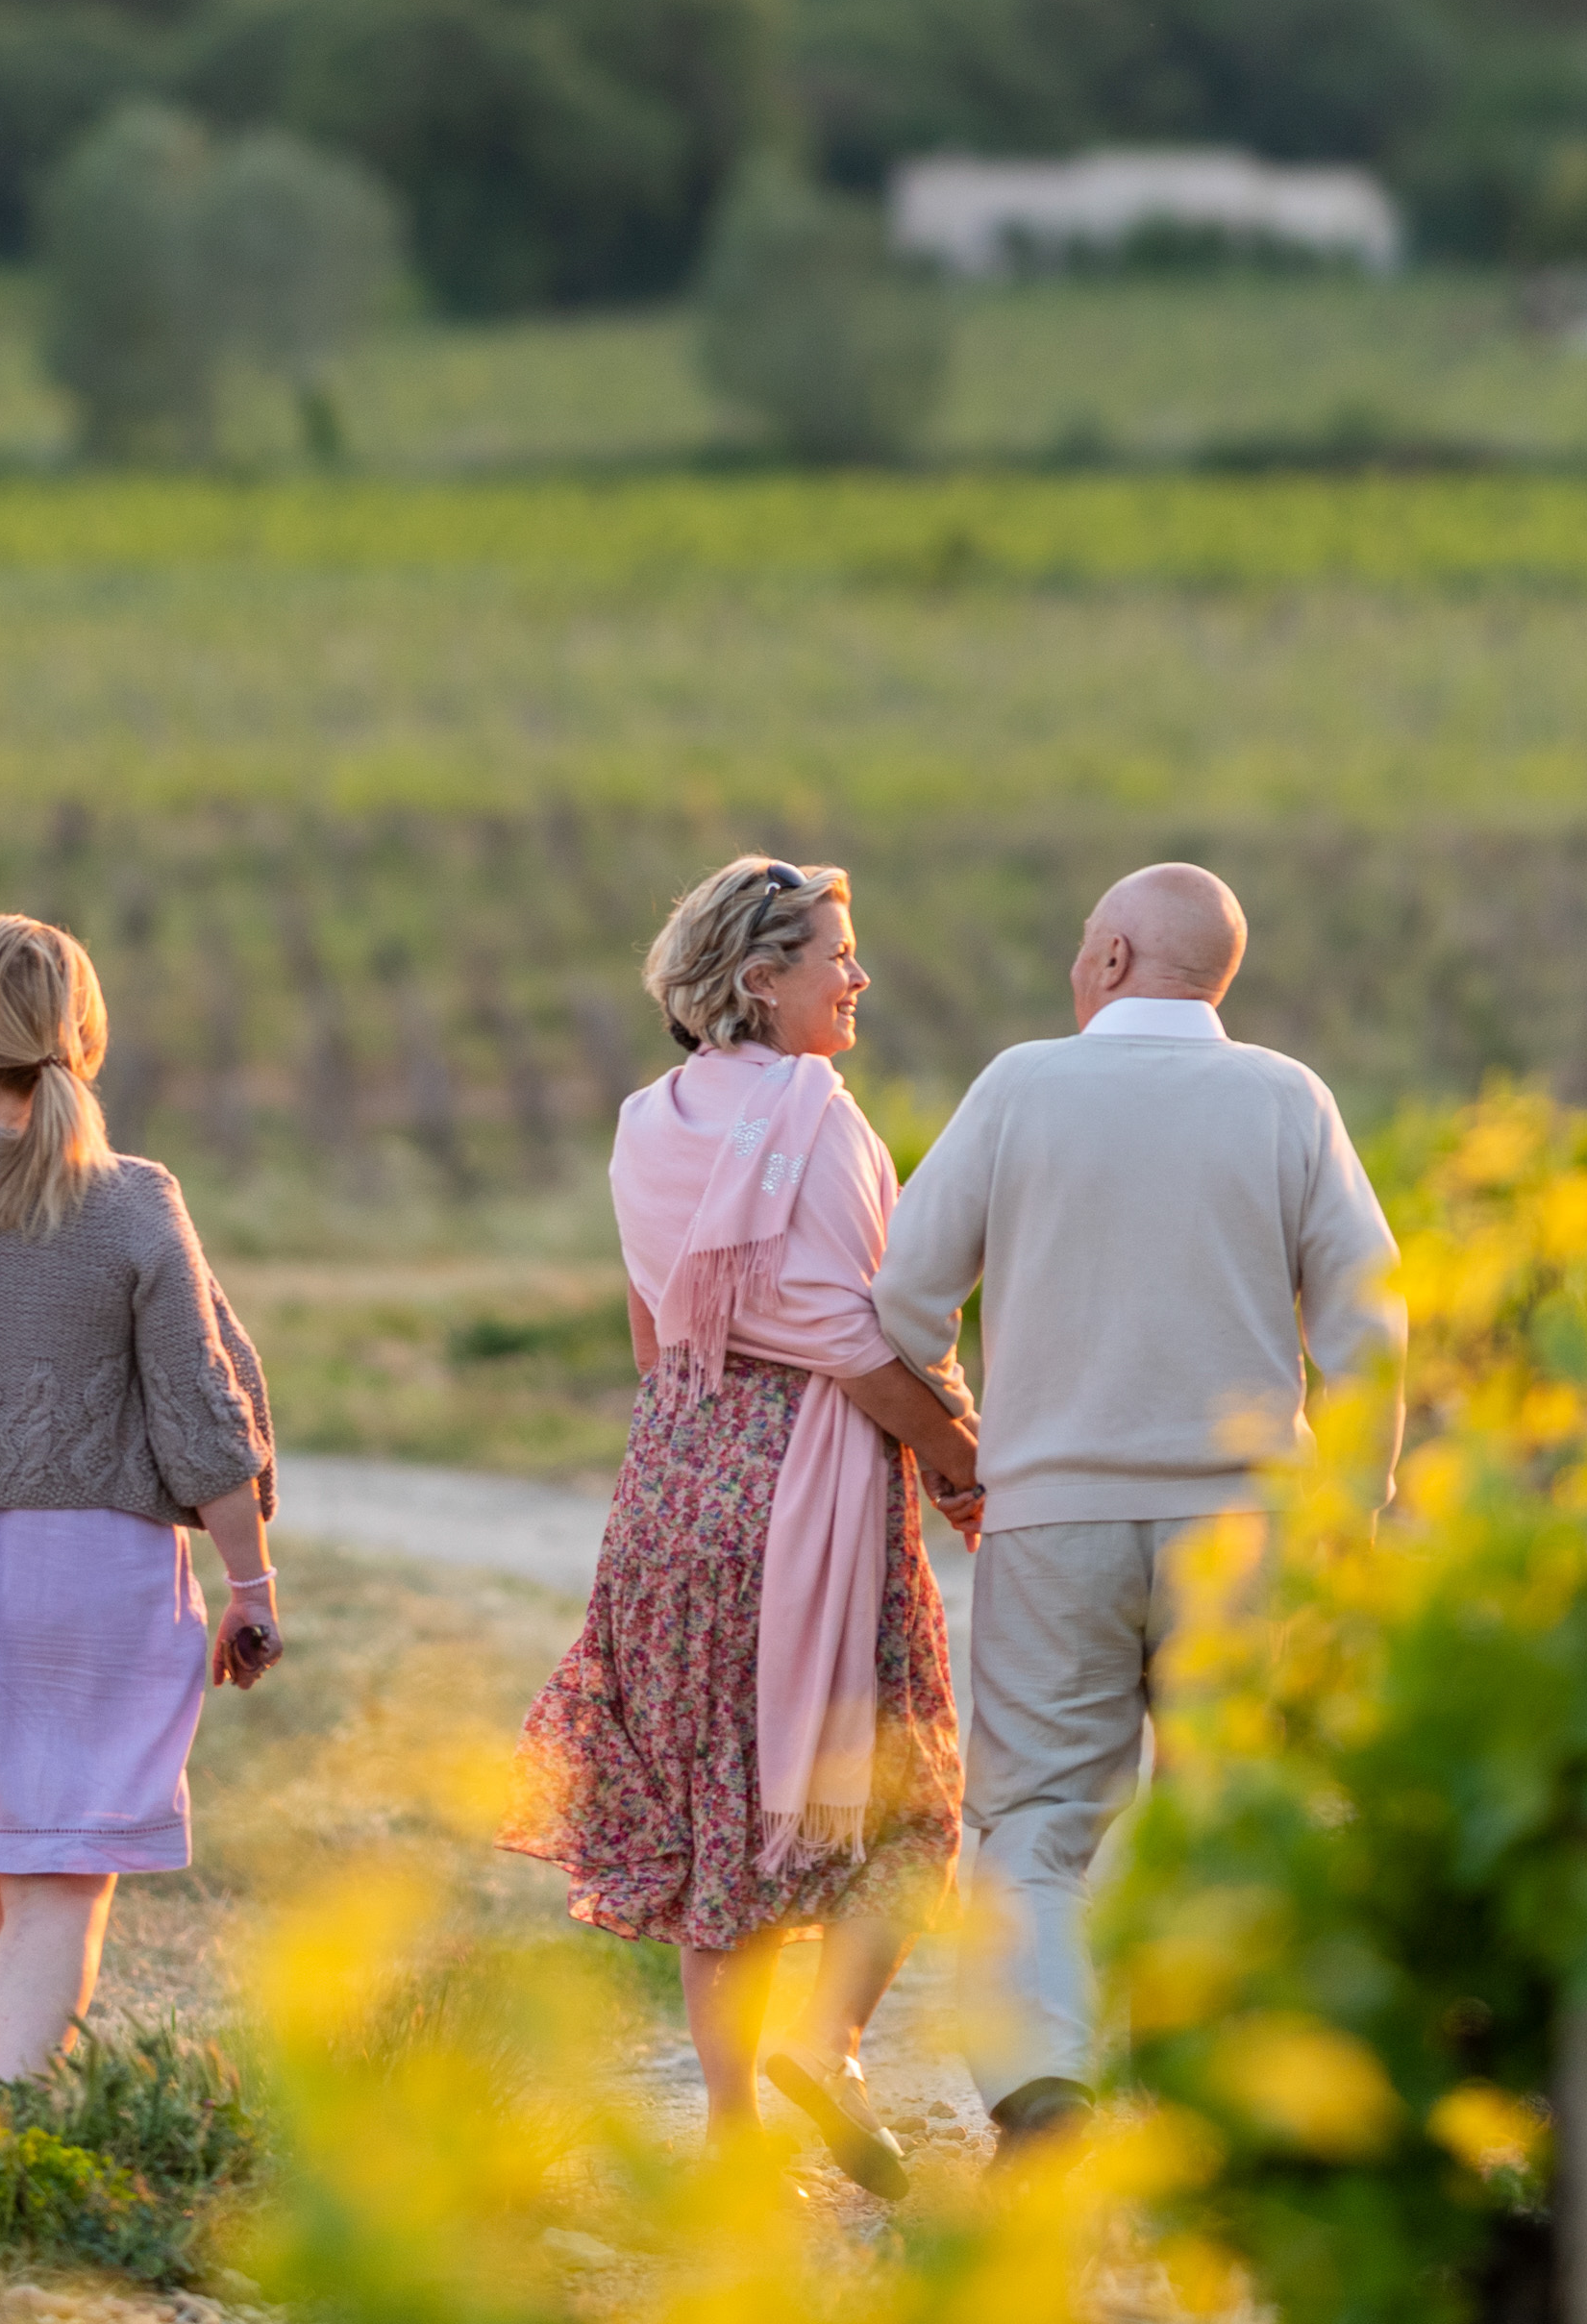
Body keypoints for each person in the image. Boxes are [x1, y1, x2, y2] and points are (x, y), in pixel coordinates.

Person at [870, 859, 1398, 2145]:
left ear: (1109, 957)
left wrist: (968, 1443)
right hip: (1246, 1523)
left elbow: (900, 1305)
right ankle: (1207, 2066)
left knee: (1041, 1818)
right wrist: (1353, 1507)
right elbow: (1372, 1329)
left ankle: (1047, 2090)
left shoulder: (1021, 1088)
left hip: (1055, 1517)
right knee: (1230, 1802)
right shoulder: (1287, 1099)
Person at [505, 854, 983, 2194]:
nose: (858, 978)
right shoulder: (820, 1120)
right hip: (806, 1488)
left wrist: (698, 1450)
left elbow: (655, 1334)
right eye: (837, 955)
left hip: (676, 1481)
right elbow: (852, 1334)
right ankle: (825, 2051)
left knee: (727, 1811)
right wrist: (957, 1456)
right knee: (901, 1797)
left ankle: (728, 2135)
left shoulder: (644, 1121)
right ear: (762, 981)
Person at [0, 913, 285, 2100]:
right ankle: (12, 2149)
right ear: (86, 1040)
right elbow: (201, 1403)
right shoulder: (132, 1197)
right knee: (63, 1877)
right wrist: (251, 1582)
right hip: (94, 1578)